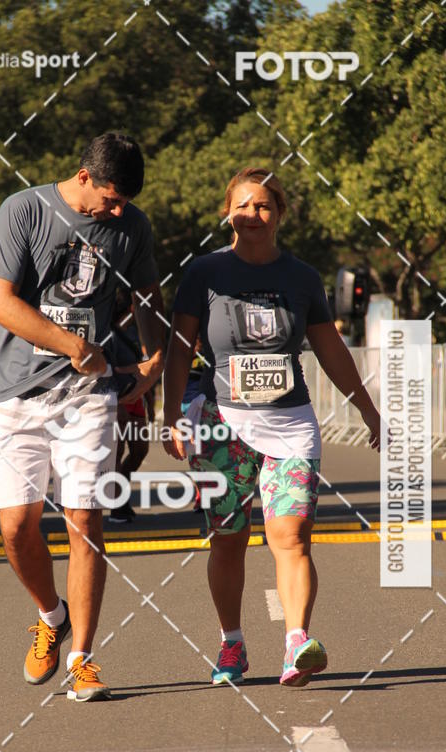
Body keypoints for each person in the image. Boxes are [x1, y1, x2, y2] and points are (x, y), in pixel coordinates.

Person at [163, 167, 381, 688]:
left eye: (263, 206)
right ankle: (232, 644)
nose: (252, 215)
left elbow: (330, 349)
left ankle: (296, 642)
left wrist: (368, 409)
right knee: (228, 538)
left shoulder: (301, 278)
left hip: (290, 425)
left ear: (280, 214)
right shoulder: (204, 273)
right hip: (221, 424)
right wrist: (169, 416)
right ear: (227, 213)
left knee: (292, 536)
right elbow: (179, 349)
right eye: (242, 206)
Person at [0, 132, 164, 702]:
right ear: (84, 177)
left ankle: (83, 659)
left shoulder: (132, 226)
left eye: (125, 202)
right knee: (16, 527)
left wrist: (154, 358)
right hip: (20, 391)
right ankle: (50, 615)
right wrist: (71, 345)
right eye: (111, 199)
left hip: (89, 394)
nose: (118, 211)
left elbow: (147, 297)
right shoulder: (24, 209)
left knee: (85, 521)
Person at [108, 290, 154, 524]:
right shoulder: (109, 335)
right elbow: (109, 372)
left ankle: (120, 492)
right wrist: (118, 406)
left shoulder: (135, 332)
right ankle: (117, 506)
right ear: (131, 309)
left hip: (137, 399)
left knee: (139, 450)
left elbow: (144, 368)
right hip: (118, 401)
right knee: (116, 454)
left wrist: (151, 404)